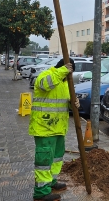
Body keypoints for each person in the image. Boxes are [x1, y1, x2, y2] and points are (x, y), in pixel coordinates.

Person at [29, 58, 79, 201]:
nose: (68, 77)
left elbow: (65, 103)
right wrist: (62, 71)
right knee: (44, 160)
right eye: (68, 73)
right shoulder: (45, 75)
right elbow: (45, 85)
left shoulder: (64, 83)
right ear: (62, 68)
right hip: (44, 128)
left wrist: (74, 103)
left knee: (57, 158)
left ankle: (51, 182)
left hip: (58, 128)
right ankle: (41, 192)